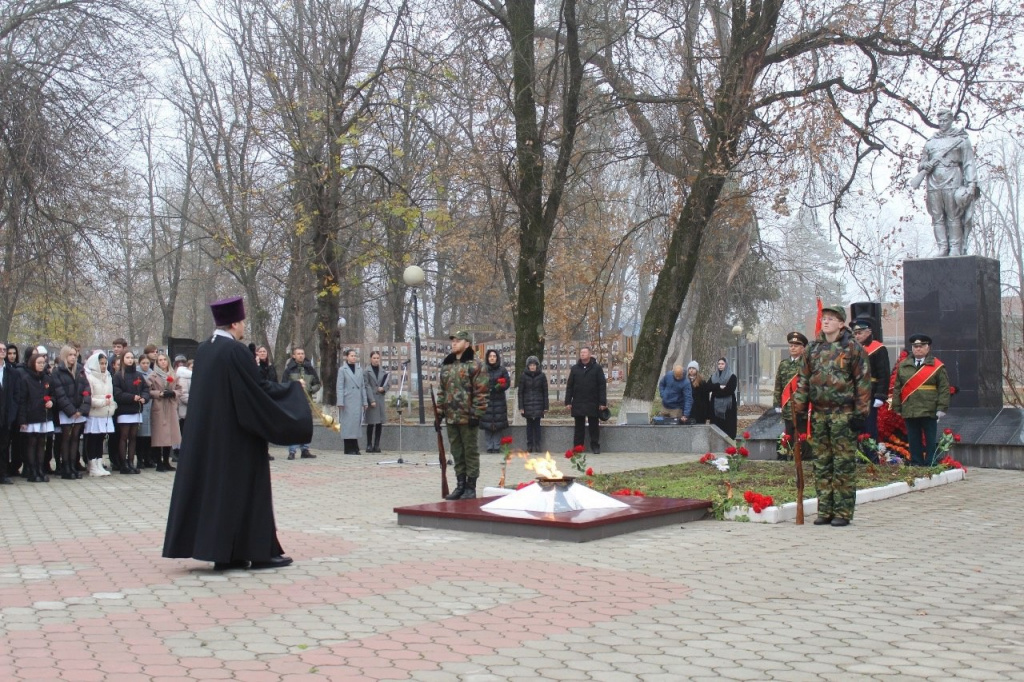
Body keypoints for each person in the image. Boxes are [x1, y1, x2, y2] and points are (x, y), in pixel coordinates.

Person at [163, 296, 312, 570]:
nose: (244, 327)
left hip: (209, 440)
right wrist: (293, 390)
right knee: (246, 493)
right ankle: (258, 552)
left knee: (218, 494)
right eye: (242, 322)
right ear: (234, 323)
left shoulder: (205, 350)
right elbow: (257, 392)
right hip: (238, 439)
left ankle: (225, 553)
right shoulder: (236, 352)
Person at [793, 304, 871, 527]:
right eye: (824, 318)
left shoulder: (853, 349)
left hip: (843, 415)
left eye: (830, 319)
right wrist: (799, 411)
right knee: (822, 463)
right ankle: (825, 509)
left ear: (841, 323)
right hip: (819, 415)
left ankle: (843, 512)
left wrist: (860, 413)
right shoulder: (813, 349)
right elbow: (803, 381)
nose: (825, 321)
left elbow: (863, 383)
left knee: (843, 463)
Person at [915, 109, 978, 257]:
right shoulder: (931, 142)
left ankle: (955, 247)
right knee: (937, 217)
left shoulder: (961, 140)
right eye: (940, 121)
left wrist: (971, 185)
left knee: (953, 215)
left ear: (951, 120)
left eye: (945, 121)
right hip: (933, 183)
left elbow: (969, 163)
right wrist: (925, 165)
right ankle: (942, 247)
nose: (942, 124)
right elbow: (921, 164)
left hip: (953, 179)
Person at [438, 330, 488, 500]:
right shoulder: (447, 365)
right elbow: (442, 392)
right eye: (452, 340)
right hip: (451, 416)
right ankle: (460, 485)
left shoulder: (475, 364)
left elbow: (481, 392)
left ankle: (470, 487)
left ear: (467, 343)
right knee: (457, 452)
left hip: (468, 417)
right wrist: (439, 413)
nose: (454, 343)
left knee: (470, 452)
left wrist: (477, 413)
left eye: (457, 341)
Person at [891, 334, 951, 466]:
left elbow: (944, 388)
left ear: (928, 348)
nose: (918, 349)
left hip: (929, 407)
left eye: (921, 346)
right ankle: (916, 461)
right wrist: (897, 407)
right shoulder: (904, 365)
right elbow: (897, 388)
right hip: (910, 407)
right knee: (913, 438)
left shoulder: (937, 365)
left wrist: (941, 408)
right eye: (915, 346)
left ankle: (930, 461)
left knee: (930, 438)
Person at [850, 318, 891, 456]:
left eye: (860, 332)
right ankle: (859, 456)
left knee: (869, 427)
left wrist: (880, 395)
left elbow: (884, 373)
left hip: (870, 392)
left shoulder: (878, 348)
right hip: (854, 393)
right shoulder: (851, 349)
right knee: (855, 426)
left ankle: (870, 456)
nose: (857, 336)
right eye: (855, 333)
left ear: (869, 332)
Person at [51, 345, 89, 480]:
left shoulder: (80, 370)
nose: (73, 357)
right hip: (66, 411)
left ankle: (73, 465)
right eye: (70, 355)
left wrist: (82, 410)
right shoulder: (57, 371)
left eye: (75, 355)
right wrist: (71, 411)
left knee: (75, 439)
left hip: (79, 410)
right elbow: (59, 393)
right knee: (66, 439)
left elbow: (86, 390)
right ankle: (65, 466)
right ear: (65, 356)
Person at [17, 348, 55, 483]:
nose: (41, 365)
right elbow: (22, 400)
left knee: (41, 444)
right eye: (38, 362)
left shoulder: (46, 379)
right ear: (33, 363)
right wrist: (22, 419)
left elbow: (52, 395)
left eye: (43, 362)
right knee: (31, 444)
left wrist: (51, 401)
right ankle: (32, 470)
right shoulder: (26, 379)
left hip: (43, 416)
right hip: (31, 416)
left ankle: (40, 469)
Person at [565, 346, 607, 454]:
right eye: (581, 352)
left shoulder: (597, 368)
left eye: (585, 352)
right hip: (578, 402)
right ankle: (578, 447)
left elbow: (602, 385)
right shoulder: (575, 369)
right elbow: (570, 386)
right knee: (579, 427)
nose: (582, 354)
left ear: (589, 354)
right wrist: (568, 401)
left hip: (593, 401)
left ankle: (595, 446)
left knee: (594, 426)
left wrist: (602, 402)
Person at [112, 351, 149, 474]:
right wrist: (132, 397)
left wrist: (144, 397)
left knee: (133, 437)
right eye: (127, 357)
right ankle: (123, 464)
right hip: (124, 410)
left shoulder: (138, 375)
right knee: (124, 437)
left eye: (132, 357)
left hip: (136, 410)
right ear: (123, 359)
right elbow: (117, 393)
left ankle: (131, 461)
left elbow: (145, 388)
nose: (130, 360)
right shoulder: (118, 376)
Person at [773, 332, 809, 459]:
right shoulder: (784, 364)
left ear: (803, 348)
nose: (792, 348)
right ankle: (788, 457)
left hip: (802, 407)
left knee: (803, 434)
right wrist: (777, 403)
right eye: (791, 345)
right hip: (787, 407)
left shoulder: (807, 364)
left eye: (796, 345)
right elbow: (778, 385)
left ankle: (803, 457)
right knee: (789, 433)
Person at [281, 347, 320, 460]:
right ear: (293, 356)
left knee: (306, 426)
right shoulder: (289, 370)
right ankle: (292, 451)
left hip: (307, 401)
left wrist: (310, 388)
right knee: (293, 426)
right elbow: (284, 385)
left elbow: (317, 384)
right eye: (298, 354)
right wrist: (295, 387)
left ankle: (305, 450)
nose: (301, 355)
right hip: (293, 401)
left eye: (302, 353)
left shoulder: (310, 369)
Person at [148, 353, 182, 472]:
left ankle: (166, 461)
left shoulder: (173, 375)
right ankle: (159, 462)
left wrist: (173, 393)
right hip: (159, 405)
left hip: (171, 406)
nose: (162, 362)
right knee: (159, 435)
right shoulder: (152, 375)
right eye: (160, 360)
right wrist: (159, 393)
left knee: (170, 435)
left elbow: (179, 389)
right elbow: (149, 391)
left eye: (164, 360)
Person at [82, 351, 114, 477]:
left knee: (100, 439)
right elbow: (89, 397)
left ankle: (99, 463)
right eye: (101, 363)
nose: (103, 366)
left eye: (105, 363)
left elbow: (111, 394)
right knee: (93, 439)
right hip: (94, 413)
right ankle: (92, 464)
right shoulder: (89, 377)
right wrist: (102, 402)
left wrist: (111, 405)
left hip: (105, 413)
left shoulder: (108, 376)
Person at [335, 348, 366, 455]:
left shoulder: (359, 369)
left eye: (355, 356)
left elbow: (362, 387)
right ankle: (348, 447)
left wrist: (365, 401)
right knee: (348, 424)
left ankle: (355, 446)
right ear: (347, 357)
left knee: (356, 424)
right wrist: (340, 401)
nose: (354, 357)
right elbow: (339, 386)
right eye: (351, 356)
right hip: (347, 400)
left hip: (357, 400)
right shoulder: (342, 370)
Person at [481, 349, 511, 453]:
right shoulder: (483, 370)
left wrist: (499, 387)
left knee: (498, 424)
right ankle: (489, 446)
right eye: (490, 356)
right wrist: (486, 388)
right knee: (487, 424)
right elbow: (479, 382)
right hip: (487, 400)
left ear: (497, 358)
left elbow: (507, 383)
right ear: (487, 358)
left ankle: (497, 446)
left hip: (499, 401)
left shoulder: (502, 370)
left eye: (494, 356)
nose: (492, 358)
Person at [517, 355, 549, 453]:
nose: (532, 367)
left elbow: (545, 392)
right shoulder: (523, 376)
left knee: (537, 426)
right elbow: (520, 392)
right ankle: (529, 445)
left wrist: (546, 406)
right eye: (530, 365)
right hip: (527, 405)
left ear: (537, 366)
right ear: (528, 366)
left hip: (539, 404)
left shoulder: (542, 376)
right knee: (529, 426)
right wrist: (521, 406)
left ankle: (538, 445)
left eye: (534, 365)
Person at [363, 351, 388, 453]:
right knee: (371, 423)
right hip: (372, 399)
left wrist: (384, 388)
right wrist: (371, 400)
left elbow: (388, 383)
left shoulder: (383, 371)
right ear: (370, 359)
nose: (376, 360)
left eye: (378, 358)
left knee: (379, 423)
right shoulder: (367, 371)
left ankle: (377, 445)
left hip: (380, 399)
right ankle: (369, 444)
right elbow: (366, 386)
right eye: (374, 358)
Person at [709, 358, 738, 439]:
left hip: (728, 408)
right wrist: (719, 386)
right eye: (719, 364)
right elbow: (708, 387)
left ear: (726, 365)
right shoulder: (713, 376)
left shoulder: (732, 376)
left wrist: (716, 392)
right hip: (715, 407)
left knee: (728, 427)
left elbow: (729, 390)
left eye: (722, 364)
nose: (720, 365)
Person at [174, 355, 192, 462]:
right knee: (181, 431)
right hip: (183, 410)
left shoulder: (192, 376)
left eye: (183, 362)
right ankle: (178, 452)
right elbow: (183, 394)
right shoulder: (183, 378)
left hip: (189, 410)